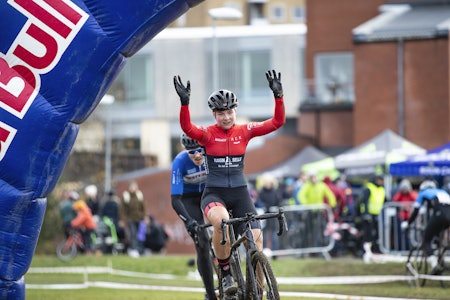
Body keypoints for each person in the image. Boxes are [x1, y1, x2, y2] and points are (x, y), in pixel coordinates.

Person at [174, 69, 285, 295]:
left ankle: (259, 290)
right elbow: (187, 128)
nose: (226, 117)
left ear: (235, 111)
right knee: (222, 223)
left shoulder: (245, 132)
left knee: (257, 241)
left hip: (240, 193)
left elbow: (277, 122)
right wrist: (185, 104)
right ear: (214, 114)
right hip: (214, 194)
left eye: (229, 112)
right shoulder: (206, 135)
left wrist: (278, 96)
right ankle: (225, 273)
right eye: (220, 113)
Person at [170, 133, 216, 300]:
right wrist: (189, 221)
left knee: (223, 227)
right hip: (189, 201)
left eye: (199, 151)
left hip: (209, 194)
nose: (196, 155)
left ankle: (227, 273)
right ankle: (210, 294)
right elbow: (175, 200)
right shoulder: (180, 162)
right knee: (202, 243)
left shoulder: (211, 155)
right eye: (191, 152)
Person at [401, 180, 450, 274]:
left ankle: (435, 264)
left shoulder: (423, 193)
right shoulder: (442, 192)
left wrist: (408, 223)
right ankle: (439, 248)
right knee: (437, 234)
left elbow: (416, 210)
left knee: (426, 240)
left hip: (440, 215)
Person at [358, 175, 385, 263]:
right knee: (367, 234)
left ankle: (375, 250)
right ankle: (365, 251)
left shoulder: (382, 189)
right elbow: (364, 201)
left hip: (377, 214)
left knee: (376, 234)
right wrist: (366, 214)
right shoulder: (369, 188)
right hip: (369, 214)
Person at [121, 180, 145, 258]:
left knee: (137, 235)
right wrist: (123, 219)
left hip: (138, 219)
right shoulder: (126, 196)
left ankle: (134, 249)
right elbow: (123, 209)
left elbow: (143, 207)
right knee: (133, 234)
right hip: (130, 218)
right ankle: (133, 249)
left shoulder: (139, 195)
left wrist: (144, 216)